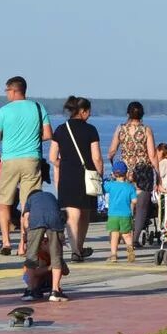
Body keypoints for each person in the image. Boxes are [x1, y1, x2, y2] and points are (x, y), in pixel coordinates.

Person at [0, 76, 50, 256]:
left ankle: (6, 241)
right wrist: (30, 139)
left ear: (14, 90)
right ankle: (23, 244)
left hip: (9, 160)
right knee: (28, 203)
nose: (6, 94)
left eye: (7, 91)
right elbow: (47, 135)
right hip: (32, 158)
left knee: (4, 202)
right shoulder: (39, 108)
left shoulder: (4, 111)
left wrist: (10, 136)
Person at [48, 95, 102, 261]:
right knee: (85, 213)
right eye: (89, 111)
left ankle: (75, 250)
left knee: (72, 214)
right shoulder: (91, 130)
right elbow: (97, 158)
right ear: (83, 111)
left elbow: (52, 157)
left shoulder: (61, 129)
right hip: (87, 176)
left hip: (67, 176)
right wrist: (99, 173)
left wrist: (62, 164)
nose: (90, 115)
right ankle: (78, 247)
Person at [106, 101, 159, 239]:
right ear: (142, 114)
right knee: (141, 207)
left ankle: (123, 234)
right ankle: (134, 239)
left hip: (125, 170)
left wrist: (114, 165)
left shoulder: (120, 129)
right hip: (143, 170)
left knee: (125, 204)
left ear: (128, 113)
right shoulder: (146, 130)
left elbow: (111, 152)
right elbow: (152, 155)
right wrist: (158, 176)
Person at [20, 187, 69, 302]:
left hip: (36, 221)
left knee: (31, 256)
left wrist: (28, 235)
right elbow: (61, 214)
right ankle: (55, 291)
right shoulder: (51, 196)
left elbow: (26, 219)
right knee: (56, 256)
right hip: (54, 220)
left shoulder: (30, 200)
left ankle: (31, 291)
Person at [105, 161, 138, 262]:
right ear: (126, 172)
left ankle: (114, 255)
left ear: (114, 174)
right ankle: (130, 249)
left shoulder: (110, 185)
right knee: (127, 234)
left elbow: (102, 188)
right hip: (126, 214)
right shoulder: (130, 187)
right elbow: (134, 201)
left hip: (113, 215)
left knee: (114, 235)